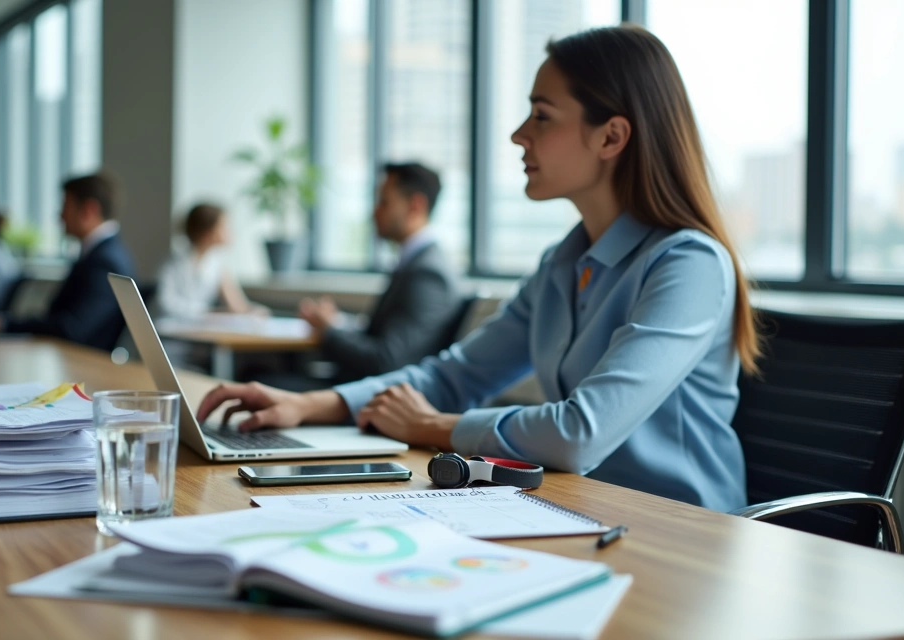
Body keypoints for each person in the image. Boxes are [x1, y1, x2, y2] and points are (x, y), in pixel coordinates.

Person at [196, 25, 762, 512]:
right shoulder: (565, 263)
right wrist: (306, 405)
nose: (519, 134)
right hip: (580, 508)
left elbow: (578, 434)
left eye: (542, 116)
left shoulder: (688, 265)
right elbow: (454, 377)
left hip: (681, 529)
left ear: (611, 136)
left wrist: (431, 427)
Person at [295, 162, 461, 383]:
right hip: (364, 387)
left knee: (263, 378)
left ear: (415, 206)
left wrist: (329, 331)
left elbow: (386, 361)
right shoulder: (415, 264)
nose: (375, 211)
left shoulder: (428, 275)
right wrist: (336, 325)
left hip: (374, 397)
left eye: (384, 202)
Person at [0, 173, 135, 351]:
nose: (60, 216)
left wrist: (7, 324)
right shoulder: (100, 254)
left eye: (65, 206)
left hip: (83, 365)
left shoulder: (105, 261)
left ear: (89, 210)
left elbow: (72, 329)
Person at [154, 203, 260, 319]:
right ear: (208, 232)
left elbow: (236, 304)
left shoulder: (217, 262)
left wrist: (253, 311)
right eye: (224, 227)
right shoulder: (175, 261)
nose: (230, 231)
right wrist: (209, 311)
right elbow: (165, 304)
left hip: (196, 326)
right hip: (168, 325)